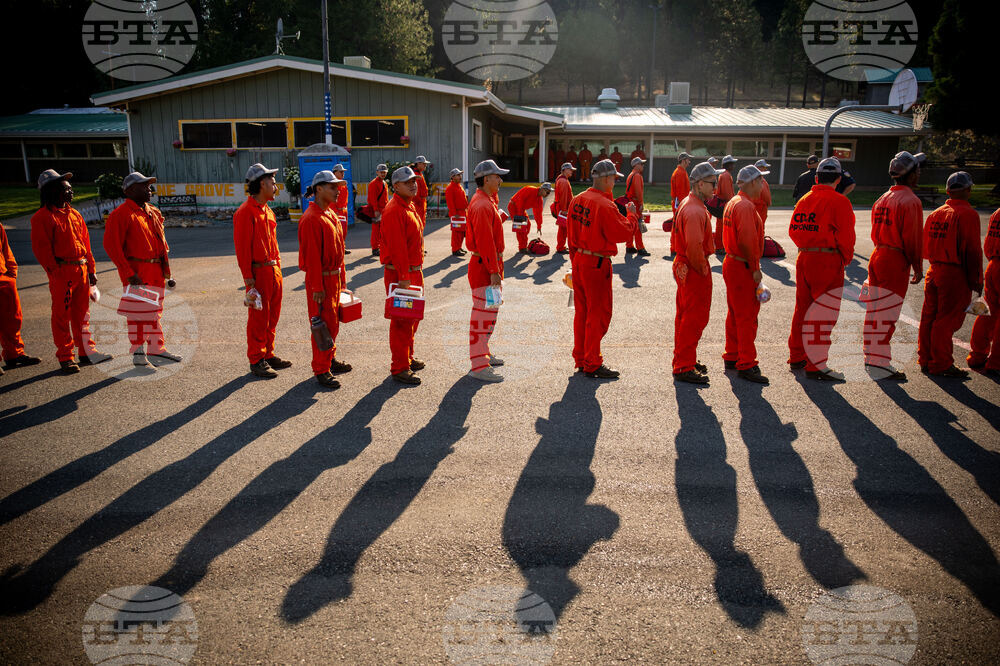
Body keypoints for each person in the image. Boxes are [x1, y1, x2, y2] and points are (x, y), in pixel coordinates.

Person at [30, 169, 111, 374]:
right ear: (52, 191)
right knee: (61, 316)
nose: (71, 192)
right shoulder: (42, 217)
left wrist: (91, 271)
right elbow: (42, 249)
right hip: (63, 273)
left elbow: (86, 244)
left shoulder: (74, 214)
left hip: (81, 269)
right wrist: (55, 272)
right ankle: (66, 356)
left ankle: (86, 351)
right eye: (66, 189)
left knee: (82, 314)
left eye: (70, 189)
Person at [787, 157, 856, 381]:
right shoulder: (840, 202)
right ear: (838, 179)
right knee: (823, 313)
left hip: (804, 256)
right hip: (827, 260)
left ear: (816, 177)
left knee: (802, 310)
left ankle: (797, 355)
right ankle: (816, 364)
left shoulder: (805, 199)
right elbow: (846, 237)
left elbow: (793, 230)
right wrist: (844, 259)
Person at [568, 159, 638, 379]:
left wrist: (574, 263)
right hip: (597, 264)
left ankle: (581, 357)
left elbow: (571, 235)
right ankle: (592, 361)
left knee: (582, 312)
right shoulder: (604, 205)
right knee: (598, 314)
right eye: (614, 179)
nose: (614, 183)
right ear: (607, 179)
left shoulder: (578, 199)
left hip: (580, 260)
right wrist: (632, 214)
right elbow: (624, 233)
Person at [104, 172, 181, 369]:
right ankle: (138, 354)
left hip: (155, 269)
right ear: (130, 190)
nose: (149, 190)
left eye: (149, 186)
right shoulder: (120, 215)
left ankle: (156, 350)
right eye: (144, 186)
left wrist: (167, 272)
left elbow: (161, 243)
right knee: (139, 314)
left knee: (155, 312)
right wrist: (129, 273)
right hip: (138, 271)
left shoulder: (152, 211)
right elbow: (112, 247)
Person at [862, 151, 926, 380]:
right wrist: (918, 267)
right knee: (887, 311)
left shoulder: (883, 197)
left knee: (874, 309)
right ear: (910, 175)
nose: (919, 173)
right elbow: (913, 238)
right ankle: (880, 360)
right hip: (894, 260)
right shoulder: (910, 201)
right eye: (918, 169)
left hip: (878, 255)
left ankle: (871, 353)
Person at [918, 171, 984, 378]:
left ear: (948, 191)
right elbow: (973, 250)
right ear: (968, 190)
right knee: (947, 320)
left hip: (934, 269)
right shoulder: (968, 214)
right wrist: (976, 280)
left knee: (929, 317)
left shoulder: (937, 213)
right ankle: (941, 363)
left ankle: (926, 358)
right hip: (954, 273)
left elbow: (925, 248)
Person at [234, 163, 291, 379]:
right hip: (258, 273)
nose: (275, 186)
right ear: (261, 184)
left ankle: (268, 352)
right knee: (259, 318)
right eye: (272, 182)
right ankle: (256, 359)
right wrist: (249, 280)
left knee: (272, 316)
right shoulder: (245, 212)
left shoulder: (267, 211)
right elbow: (242, 249)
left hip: (273, 270)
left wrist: (278, 267)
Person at [298, 170, 350, 388]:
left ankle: (329, 358)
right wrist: (318, 286)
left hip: (334, 278)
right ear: (319, 189)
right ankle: (321, 368)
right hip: (321, 281)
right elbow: (311, 259)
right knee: (322, 325)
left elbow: (340, 251)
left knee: (333, 322)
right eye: (332, 187)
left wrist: (343, 282)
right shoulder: (311, 219)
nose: (337, 191)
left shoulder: (329, 213)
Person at [672, 161, 723, 384]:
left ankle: (685, 359)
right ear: (700, 183)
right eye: (713, 183)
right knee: (694, 317)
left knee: (685, 316)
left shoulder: (691, 203)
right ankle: (684, 364)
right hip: (693, 266)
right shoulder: (694, 209)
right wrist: (702, 268)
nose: (715, 188)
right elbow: (694, 246)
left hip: (686, 264)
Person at [722, 165, 769, 384]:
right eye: (760, 181)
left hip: (733, 263)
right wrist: (755, 268)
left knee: (735, 313)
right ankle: (747, 363)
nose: (762, 185)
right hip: (742, 266)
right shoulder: (746, 207)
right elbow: (747, 241)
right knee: (747, 317)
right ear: (751, 182)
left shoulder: (734, 202)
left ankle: (733, 355)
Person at [380, 166, 425, 385]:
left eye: (414, 181)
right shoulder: (394, 210)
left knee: (412, 318)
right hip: (401, 274)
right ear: (395, 186)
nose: (413, 184)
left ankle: (407, 356)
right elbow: (397, 248)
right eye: (408, 182)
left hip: (412, 272)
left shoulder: (408, 206)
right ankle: (399, 366)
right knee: (401, 321)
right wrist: (404, 278)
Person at [466, 159, 509, 382]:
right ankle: (479, 365)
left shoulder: (486, 201)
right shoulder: (482, 204)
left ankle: (483, 353)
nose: (500, 180)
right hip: (485, 267)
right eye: (497, 176)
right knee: (482, 317)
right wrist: (494, 271)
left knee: (490, 313)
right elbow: (484, 242)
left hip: (490, 265)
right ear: (486, 179)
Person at [0, 222, 41, 376]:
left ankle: (14, 354)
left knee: (13, 318)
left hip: (4, 277)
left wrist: (11, 273)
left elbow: (5, 249)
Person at [968, 207, 1000, 377]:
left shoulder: (997, 212)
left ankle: (977, 355)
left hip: (994, 264)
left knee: (988, 311)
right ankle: (997, 361)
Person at [508, 182, 551, 253]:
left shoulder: (539, 200)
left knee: (527, 225)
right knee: (521, 228)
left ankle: (523, 243)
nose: (548, 194)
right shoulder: (530, 189)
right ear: (542, 189)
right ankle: (522, 247)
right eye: (547, 192)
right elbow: (520, 200)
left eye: (549, 193)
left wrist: (539, 226)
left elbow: (538, 214)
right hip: (514, 207)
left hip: (521, 209)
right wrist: (520, 217)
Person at [624, 156, 650, 256]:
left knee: (631, 224)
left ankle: (629, 246)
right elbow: (638, 191)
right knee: (638, 226)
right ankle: (640, 248)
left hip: (630, 202)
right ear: (637, 165)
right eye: (641, 164)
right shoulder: (637, 176)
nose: (643, 165)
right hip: (635, 203)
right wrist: (641, 203)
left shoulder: (631, 175)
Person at [714, 155, 738, 249]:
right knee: (722, 227)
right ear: (728, 165)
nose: (734, 166)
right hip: (725, 205)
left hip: (723, 204)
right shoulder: (726, 175)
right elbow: (728, 193)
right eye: (732, 164)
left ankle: (720, 246)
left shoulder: (723, 174)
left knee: (721, 226)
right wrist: (733, 204)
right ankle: (720, 246)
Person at [446, 168, 469, 257]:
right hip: (457, 213)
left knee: (462, 232)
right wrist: (454, 213)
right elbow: (450, 202)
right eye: (458, 175)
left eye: (460, 175)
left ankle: (458, 247)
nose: (460, 176)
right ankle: (455, 249)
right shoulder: (450, 188)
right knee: (456, 233)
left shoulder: (459, 186)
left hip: (462, 213)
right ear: (453, 177)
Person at [553, 162, 575, 254]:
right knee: (563, 229)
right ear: (565, 170)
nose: (571, 172)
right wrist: (564, 210)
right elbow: (563, 197)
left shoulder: (562, 179)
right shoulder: (563, 181)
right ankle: (560, 247)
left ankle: (561, 246)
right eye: (570, 170)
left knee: (563, 228)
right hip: (563, 208)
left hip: (562, 207)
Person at [367, 164, 389, 256]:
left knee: (383, 230)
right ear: (377, 172)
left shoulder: (384, 183)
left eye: (384, 172)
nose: (383, 174)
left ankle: (380, 247)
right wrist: (376, 210)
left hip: (383, 210)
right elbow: (373, 199)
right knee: (376, 230)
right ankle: (375, 248)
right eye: (381, 172)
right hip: (376, 210)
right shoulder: (373, 183)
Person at [331, 163, 351, 255]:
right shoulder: (333, 185)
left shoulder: (343, 183)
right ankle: (336, 249)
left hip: (344, 210)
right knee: (337, 231)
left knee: (344, 230)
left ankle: (342, 247)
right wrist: (335, 212)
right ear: (335, 173)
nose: (343, 173)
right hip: (337, 211)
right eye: (341, 172)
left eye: (343, 172)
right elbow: (332, 200)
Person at [751, 158, 772, 226]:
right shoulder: (759, 180)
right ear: (758, 168)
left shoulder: (760, 180)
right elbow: (765, 196)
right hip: (759, 208)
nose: (765, 169)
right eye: (763, 167)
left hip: (760, 208)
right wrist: (768, 203)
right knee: (758, 227)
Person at [413, 155, 431, 228]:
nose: (425, 165)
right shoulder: (415, 175)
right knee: (418, 225)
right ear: (418, 164)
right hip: (418, 204)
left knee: (420, 225)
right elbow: (415, 192)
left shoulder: (419, 173)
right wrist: (420, 202)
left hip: (421, 203)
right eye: (424, 164)